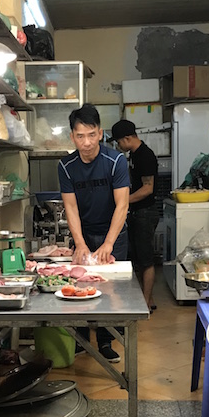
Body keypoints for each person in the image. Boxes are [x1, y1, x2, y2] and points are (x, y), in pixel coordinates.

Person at [58, 103, 130, 363]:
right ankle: (79, 340)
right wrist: (79, 243)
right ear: (72, 137)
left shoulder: (115, 161)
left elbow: (122, 204)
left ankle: (106, 341)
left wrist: (109, 243)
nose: (86, 142)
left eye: (91, 135)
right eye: (80, 136)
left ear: (100, 133)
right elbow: (71, 206)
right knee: (78, 284)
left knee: (112, 290)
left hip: (114, 232)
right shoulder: (66, 166)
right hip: (84, 232)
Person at [112, 119, 159, 311]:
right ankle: (147, 299)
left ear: (128, 138)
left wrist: (123, 201)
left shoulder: (145, 156)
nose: (118, 146)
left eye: (119, 142)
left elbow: (148, 189)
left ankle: (145, 304)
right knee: (139, 259)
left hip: (145, 213)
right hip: (137, 212)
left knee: (146, 259)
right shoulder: (133, 155)